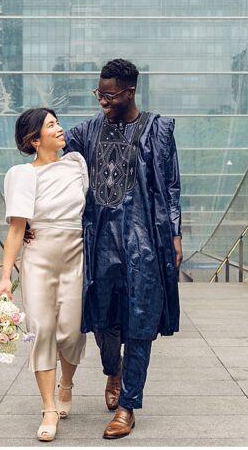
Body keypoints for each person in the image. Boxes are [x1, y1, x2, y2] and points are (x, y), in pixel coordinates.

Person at [62, 58, 182, 439]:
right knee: (103, 320)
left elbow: (172, 185)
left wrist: (174, 235)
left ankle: (128, 406)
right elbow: (50, 158)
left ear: (130, 91)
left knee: (140, 322)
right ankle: (112, 370)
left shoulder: (158, 129)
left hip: (143, 241)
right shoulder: (87, 131)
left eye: (109, 95)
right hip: (98, 241)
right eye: (99, 94)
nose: (102, 101)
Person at [0, 108, 89, 442]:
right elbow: (17, 230)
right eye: (51, 126)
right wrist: (6, 277)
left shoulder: (78, 164)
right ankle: (49, 407)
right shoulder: (22, 174)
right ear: (34, 139)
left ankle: (67, 384)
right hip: (38, 258)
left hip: (76, 253)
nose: (60, 128)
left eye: (57, 122)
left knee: (72, 331)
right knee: (42, 328)